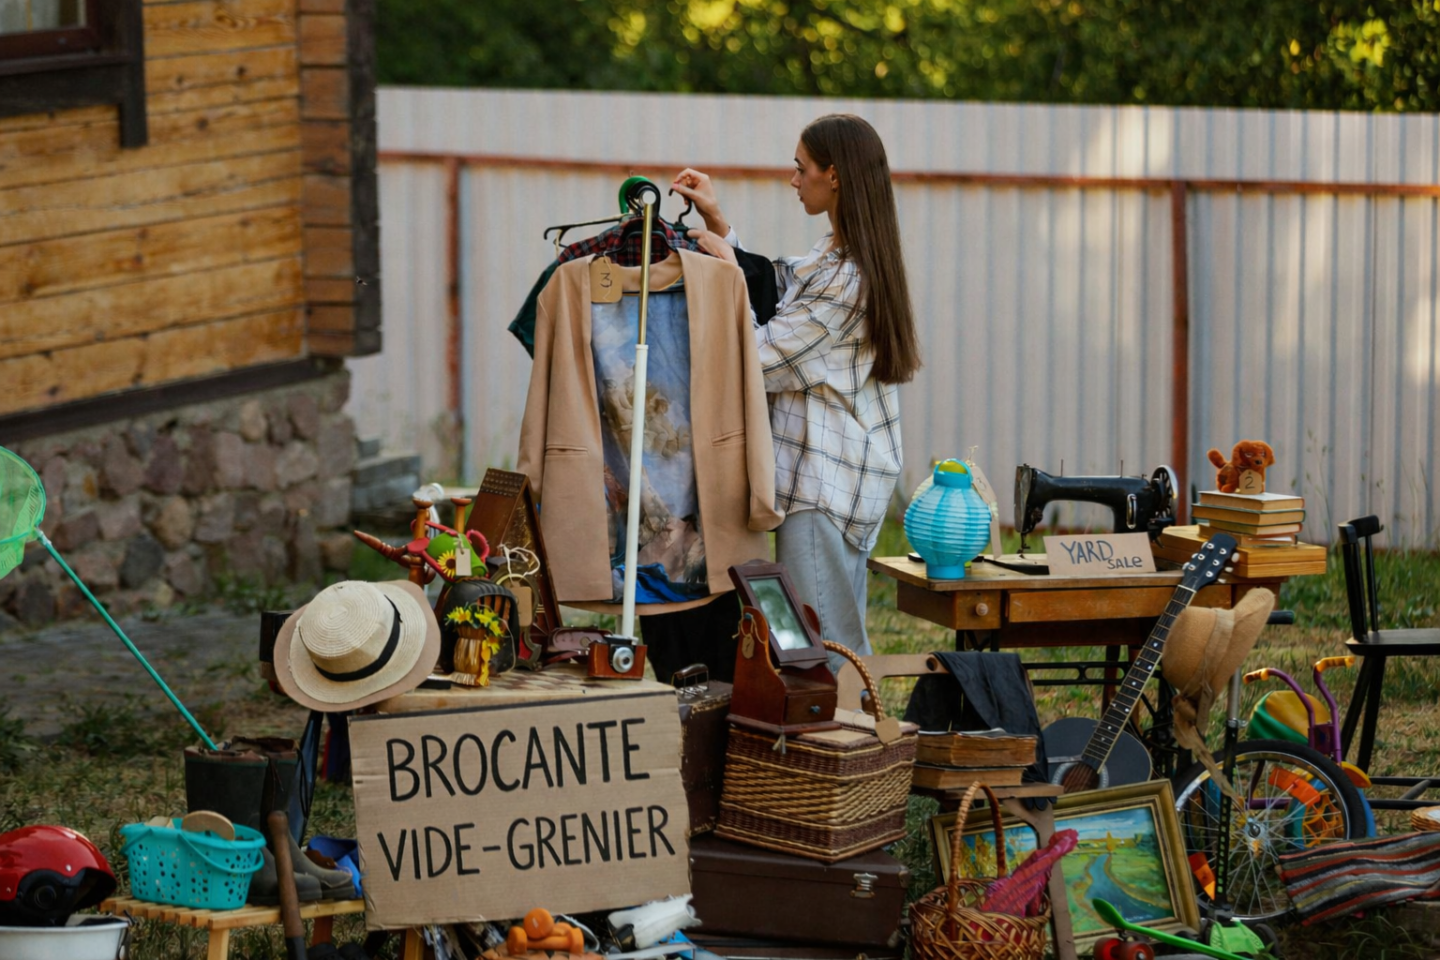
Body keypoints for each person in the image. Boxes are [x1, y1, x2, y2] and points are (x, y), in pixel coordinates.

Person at [671, 113, 921, 667]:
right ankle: (854, 721)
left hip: (821, 486)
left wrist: (722, 281)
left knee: (821, 649)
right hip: (837, 479)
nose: (793, 179)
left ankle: (849, 724)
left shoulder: (847, 278)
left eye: (801, 168)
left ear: (834, 175)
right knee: (828, 636)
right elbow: (780, 284)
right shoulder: (838, 255)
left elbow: (762, 357)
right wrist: (718, 224)